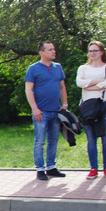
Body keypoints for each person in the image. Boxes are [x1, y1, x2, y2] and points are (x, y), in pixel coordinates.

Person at [25, 41, 69, 181]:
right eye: (50, 49)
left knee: (53, 140)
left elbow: (62, 87)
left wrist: (65, 104)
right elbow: (28, 89)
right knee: (39, 141)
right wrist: (35, 108)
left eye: (54, 49)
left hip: (56, 111)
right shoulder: (33, 69)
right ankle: (40, 169)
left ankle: (51, 167)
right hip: (41, 112)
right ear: (41, 53)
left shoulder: (58, 67)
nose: (53, 51)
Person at [76, 41, 106, 179]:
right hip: (88, 105)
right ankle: (93, 168)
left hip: (105, 104)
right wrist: (99, 81)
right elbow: (79, 83)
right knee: (91, 139)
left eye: (95, 50)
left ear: (102, 52)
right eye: (90, 51)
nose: (92, 53)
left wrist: (89, 85)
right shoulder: (83, 68)